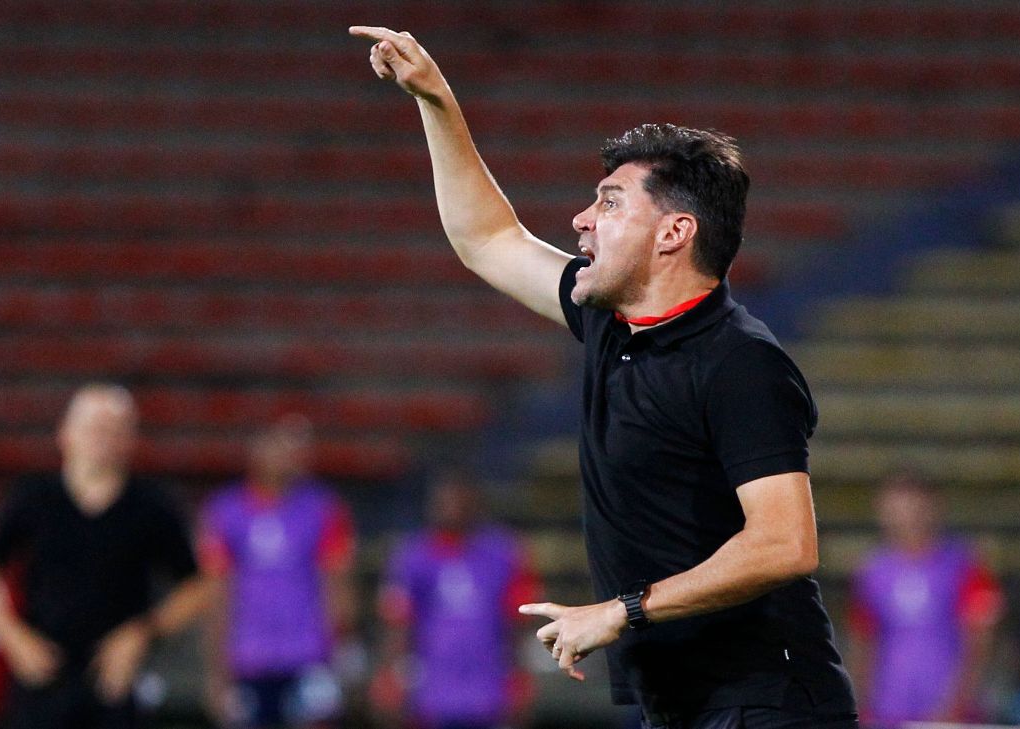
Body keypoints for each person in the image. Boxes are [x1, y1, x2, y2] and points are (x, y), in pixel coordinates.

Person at [350, 26, 858, 728]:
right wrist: (435, 99)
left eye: (611, 202)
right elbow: (488, 239)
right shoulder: (610, 324)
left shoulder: (741, 363)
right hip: (678, 703)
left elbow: (785, 544)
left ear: (674, 233)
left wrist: (623, 610)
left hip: (767, 702)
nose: (582, 219)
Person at [0, 384, 208, 729]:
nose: (102, 439)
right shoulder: (35, 498)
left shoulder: (151, 506)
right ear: (66, 434)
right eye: (93, 428)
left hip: (116, 684)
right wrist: (12, 636)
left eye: (114, 430)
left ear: (131, 439)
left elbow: (197, 586)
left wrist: (142, 633)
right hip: (43, 679)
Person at [198, 414, 356, 729]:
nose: (287, 456)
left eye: (292, 449)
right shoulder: (225, 511)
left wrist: (345, 651)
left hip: (309, 653)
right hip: (248, 657)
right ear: (255, 452)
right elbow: (218, 593)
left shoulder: (323, 508)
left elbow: (336, 584)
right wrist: (215, 670)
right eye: (278, 447)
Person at [372, 472, 540, 729]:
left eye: (459, 501)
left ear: (475, 503)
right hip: (431, 693)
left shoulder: (503, 554)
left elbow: (518, 622)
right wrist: (390, 677)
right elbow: (398, 624)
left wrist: (520, 679)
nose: (452, 508)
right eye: (444, 502)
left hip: (489, 692)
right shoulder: (413, 557)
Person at [848, 472, 1003, 727]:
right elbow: (864, 641)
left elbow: (980, 643)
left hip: (950, 713)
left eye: (915, 508)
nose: (907, 517)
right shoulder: (872, 572)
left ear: (935, 507)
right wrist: (860, 703)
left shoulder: (965, 566)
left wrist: (957, 704)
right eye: (898, 509)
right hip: (887, 711)